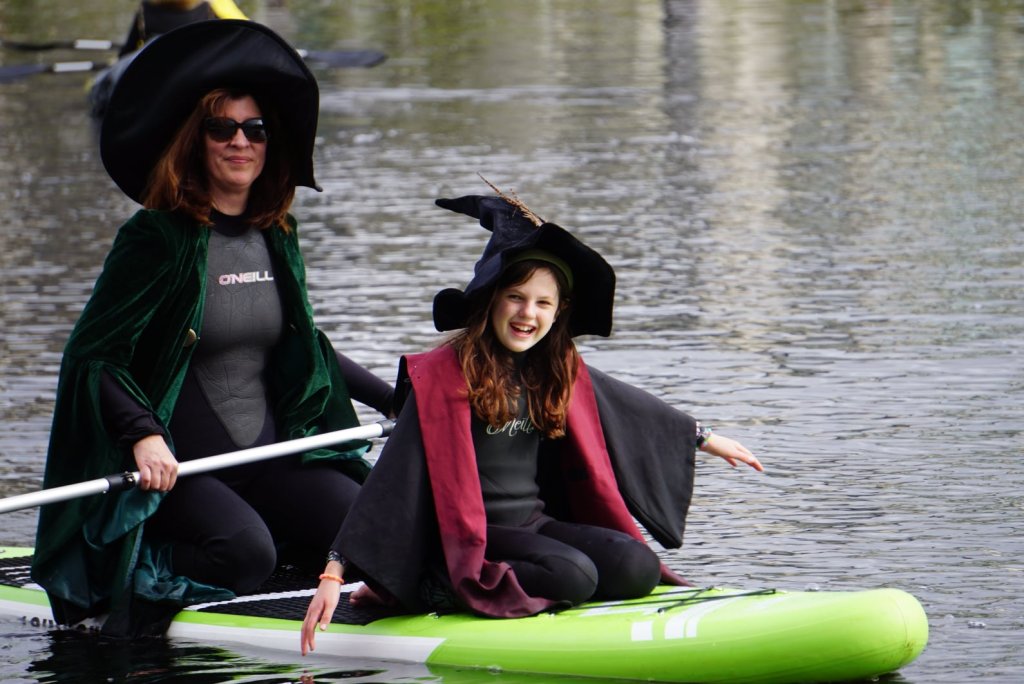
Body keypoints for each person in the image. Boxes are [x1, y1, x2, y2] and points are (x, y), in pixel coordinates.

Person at [31, 20, 393, 638]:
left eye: (254, 129)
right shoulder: (156, 237)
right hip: (184, 470)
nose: (240, 142)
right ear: (195, 140)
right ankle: (131, 567)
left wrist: (401, 399)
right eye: (221, 128)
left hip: (268, 456)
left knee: (370, 530)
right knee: (245, 554)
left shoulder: (277, 233)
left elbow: (306, 345)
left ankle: (274, 536)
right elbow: (95, 355)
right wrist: (143, 435)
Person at [300, 190, 763, 654]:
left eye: (543, 303)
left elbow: (626, 405)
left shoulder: (555, 365)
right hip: (470, 537)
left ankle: (542, 578)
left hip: (533, 526)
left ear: (558, 311)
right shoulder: (446, 375)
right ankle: (433, 585)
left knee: (635, 565)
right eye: (516, 297)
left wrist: (701, 437)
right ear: (490, 300)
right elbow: (393, 475)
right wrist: (335, 570)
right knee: (574, 574)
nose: (528, 314)